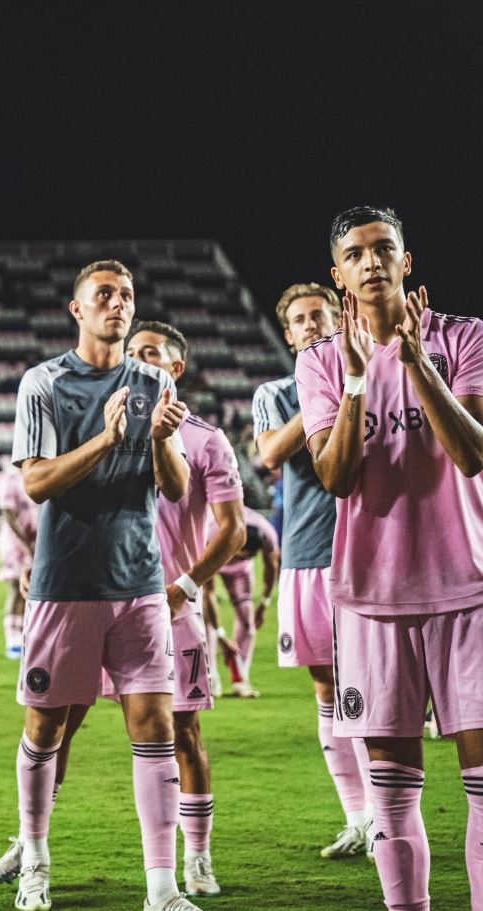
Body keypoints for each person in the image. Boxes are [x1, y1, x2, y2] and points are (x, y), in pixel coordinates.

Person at [0, 320, 243, 899]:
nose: (138, 361)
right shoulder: (47, 383)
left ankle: (181, 870)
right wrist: (108, 437)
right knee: (54, 724)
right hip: (72, 586)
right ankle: (30, 850)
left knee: (175, 730)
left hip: (154, 594)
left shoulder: (199, 434)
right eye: (134, 353)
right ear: (76, 310)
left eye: (150, 354)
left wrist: (184, 585)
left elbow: (207, 515)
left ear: (172, 370)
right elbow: (36, 483)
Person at [296, 205, 483, 911]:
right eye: (356, 252)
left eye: (384, 248)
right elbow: (336, 476)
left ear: (407, 261)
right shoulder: (317, 360)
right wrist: (354, 384)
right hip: (371, 597)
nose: (372, 260)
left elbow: (471, 451)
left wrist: (415, 361)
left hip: (468, 589)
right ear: (339, 275)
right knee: (393, 792)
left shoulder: (464, 337)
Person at [252, 281, 375, 856]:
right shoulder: (274, 394)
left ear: (339, 318)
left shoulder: (372, 375)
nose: (311, 325)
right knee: (326, 688)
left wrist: (348, 378)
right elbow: (271, 454)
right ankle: (358, 818)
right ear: (287, 331)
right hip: (307, 553)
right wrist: (319, 388)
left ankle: (385, 817)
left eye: (321, 316)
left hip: (371, 551)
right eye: (300, 319)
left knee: (373, 689)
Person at [210, 505, 279, 698]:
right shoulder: (212, 532)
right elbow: (207, 596)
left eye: (249, 557)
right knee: (206, 621)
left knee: (248, 622)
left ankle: (240, 679)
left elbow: (271, 567)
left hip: (241, 574)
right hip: (212, 558)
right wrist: (222, 635)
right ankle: (210, 678)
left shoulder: (267, 534)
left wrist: (264, 604)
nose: (241, 559)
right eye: (240, 555)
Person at [0, 457, 39, 660]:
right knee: (15, 587)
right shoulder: (10, 480)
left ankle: (24, 635)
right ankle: (11, 639)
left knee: (31, 591)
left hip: (37, 541)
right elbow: (8, 515)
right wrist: (26, 543)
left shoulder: (37, 473)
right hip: (14, 544)